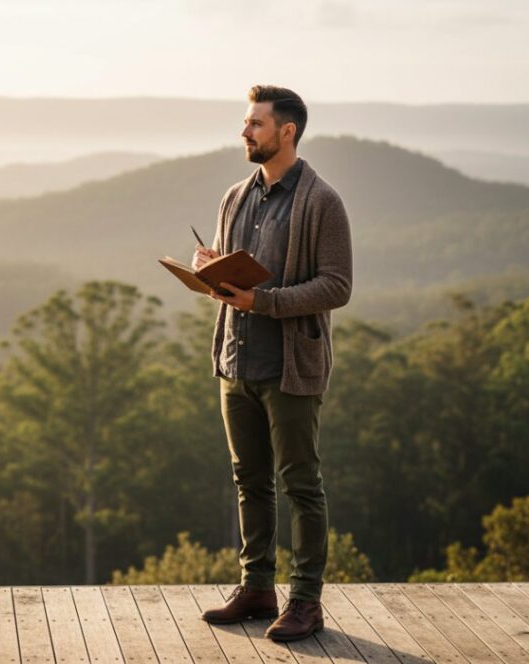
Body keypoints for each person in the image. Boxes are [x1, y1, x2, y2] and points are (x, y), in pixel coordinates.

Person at [194, 85, 353, 642]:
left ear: (287, 132)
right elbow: (230, 277)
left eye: (256, 124)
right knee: (249, 480)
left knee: (301, 485)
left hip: (291, 369)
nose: (245, 132)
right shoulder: (235, 196)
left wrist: (264, 301)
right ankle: (257, 587)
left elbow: (337, 286)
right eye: (246, 123)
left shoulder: (322, 201)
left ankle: (306, 602)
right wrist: (208, 269)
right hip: (235, 361)